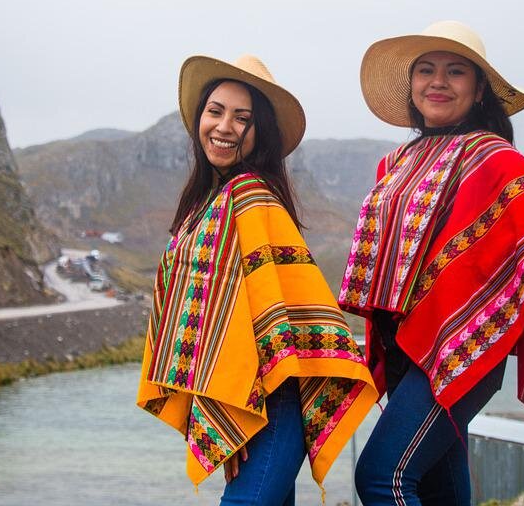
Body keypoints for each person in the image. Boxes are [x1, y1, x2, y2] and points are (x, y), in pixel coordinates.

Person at [339, 21, 524, 506]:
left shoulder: (496, 159)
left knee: (381, 477)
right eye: (427, 70)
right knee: (438, 486)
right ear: (412, 85)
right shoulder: (395, 162)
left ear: (479, 90)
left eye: (455, 72)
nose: (438, 82)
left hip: (461, 348)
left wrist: (500, 301)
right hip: (402, 346)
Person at [137, 54, 377, 506]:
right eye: (215, 111)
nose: (224, 127)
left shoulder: (251, 199)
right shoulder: (205, 204)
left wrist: (244, 405)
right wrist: (226, 402)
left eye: (241, 118)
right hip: (246, 398)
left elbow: (285, 311)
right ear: (199, 120)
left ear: (259, 132)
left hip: (273, 400)